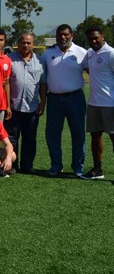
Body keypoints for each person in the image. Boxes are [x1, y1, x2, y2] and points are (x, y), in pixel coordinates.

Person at [40, 24, 88, 177]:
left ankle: (78, 167)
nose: (63, 37)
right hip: (54, 99)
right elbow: (43, 80)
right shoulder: (48, 54)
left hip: (76, 98)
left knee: (78, 133)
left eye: (66, 34)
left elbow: (94, 73)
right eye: (60, 34)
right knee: (52, 134)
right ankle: (56, 165)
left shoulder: (82, 52)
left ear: (72, 35)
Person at [4, 33, 46, 175]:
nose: (26, 45)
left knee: (30, 138)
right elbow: (6, 83)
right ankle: (13, 164)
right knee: (12, 138)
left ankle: (27, 165)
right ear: (18, 43)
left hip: (32, 107)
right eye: (23, 42)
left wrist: (43, 103)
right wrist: (7, 105)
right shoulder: (9, 60)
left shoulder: (40, 62)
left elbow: (43, 84)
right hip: (14, 107)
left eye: (29, 42)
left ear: (33, 44)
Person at [82, 26, 114, 179]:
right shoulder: (89, 53)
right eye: (90, 38)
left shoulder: (111, 53)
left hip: (110, 104)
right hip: (94, 103)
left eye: (96, 37)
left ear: (102, 36)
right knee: (95, 136)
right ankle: (97, 169)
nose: (93, 40)